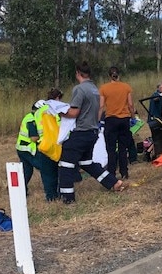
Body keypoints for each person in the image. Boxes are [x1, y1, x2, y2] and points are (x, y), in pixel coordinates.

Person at [58, 61, 124, 204]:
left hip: (81, 131)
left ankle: (67, 199)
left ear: (77, 73)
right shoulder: (95, 89)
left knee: (66, 164)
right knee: (87, 162)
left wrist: (59, 112)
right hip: (92, 132)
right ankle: (113, 182)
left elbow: (74, 112)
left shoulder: (79, 89)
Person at [16, 100, 58, 201]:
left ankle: (20, 192)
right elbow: (34, 138)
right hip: (27, 149)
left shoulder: (31, 116)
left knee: (26, 171)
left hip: (22, 149)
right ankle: (51, 196)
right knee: (46, 168)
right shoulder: (31, 119)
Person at [98, 66, 135, 180]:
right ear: (119, 75)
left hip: (111, 120)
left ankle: (112, 173)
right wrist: (132, 117)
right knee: (123, 148)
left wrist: (98, 120)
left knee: (111, 148)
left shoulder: (104, 88)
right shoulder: (126, 87)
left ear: (109, 76)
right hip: (124, 119)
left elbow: (101, 106)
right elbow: (130, 104)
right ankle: (124, 172)